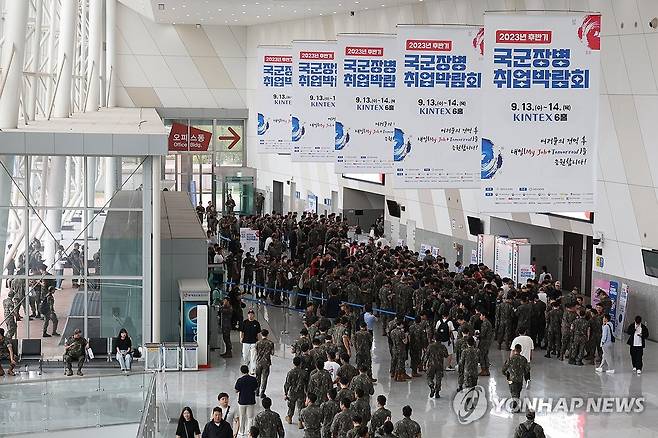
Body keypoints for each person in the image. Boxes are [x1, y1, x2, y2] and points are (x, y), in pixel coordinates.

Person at [502, 344, 531, 413]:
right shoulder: (523, 359)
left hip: (511, 379)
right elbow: (527, 369)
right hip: (519, 380)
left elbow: (503, 370)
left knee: (513, 392)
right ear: (521, 350)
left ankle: (515, 406)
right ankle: (516, 404)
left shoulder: (510, 359)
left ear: (514, 350)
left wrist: (507, 375)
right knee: (517, 392)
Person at [235, 365, 259, 437]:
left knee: (242, 416)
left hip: (242, 401)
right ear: (248, 370)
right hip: (251, 401)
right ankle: (250, 432)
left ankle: (241, 431)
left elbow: (236, 390)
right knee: (250, 417)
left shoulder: (240, 380)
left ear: (241, 371)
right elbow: (256, 388)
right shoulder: (253, 379)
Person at [284, 356, 308, 425]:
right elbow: (306, 384)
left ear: (293, 363)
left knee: (291, 406)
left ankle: (289, 418)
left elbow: (287, 384)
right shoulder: (304, 373)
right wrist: (307, 394)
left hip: (292, 392)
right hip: (301, 392)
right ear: (300, 363)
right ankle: (300, 422)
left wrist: (285, 393)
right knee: (300, 407)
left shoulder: (290, 373)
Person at [255, 329, 275, 398]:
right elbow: (272, 353)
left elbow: (256, 351)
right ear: (267, 334)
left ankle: (256, 391)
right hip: (266, 362)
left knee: (258, 377)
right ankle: (262, 393)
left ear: (261, 334)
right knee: (264, 378)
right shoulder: (270, 343)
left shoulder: (257, 343)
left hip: (258, 362)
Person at [241, 309, 261, 374]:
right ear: (248, 315)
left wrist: (258, 341)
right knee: (245, 355)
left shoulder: (256, 323)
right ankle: (246, 366)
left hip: (254, 342)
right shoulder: (245, 322)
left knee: (253, 357)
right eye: (249, 314)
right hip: (246, 341)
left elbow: (258, 333)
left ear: (254, 315)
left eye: (252, 314)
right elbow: (242, 331)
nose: (250, 315)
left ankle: (252, 369)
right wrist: (241, 338)